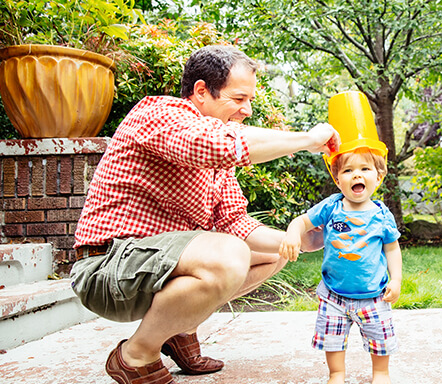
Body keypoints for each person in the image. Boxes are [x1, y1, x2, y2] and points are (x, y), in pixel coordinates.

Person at [70, 45, 340, 384]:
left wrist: (304, 237)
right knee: (227, 256)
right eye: (239, 98)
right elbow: (218, 144)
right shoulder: (159, 114)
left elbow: (236, 223)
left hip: (152, 267)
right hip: (107, 267)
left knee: (274, 254)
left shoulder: (217, 166)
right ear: (201, 91)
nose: (248, 110)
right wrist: (306, 139)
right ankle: (135, 356)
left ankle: (179, 329)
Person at [280, 145, 402, 384]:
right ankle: (336, 374)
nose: (356, 174)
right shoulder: (331, 207)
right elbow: (301, 221)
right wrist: (293, 233)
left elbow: (392, 248)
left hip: (374, 294)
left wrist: (396, 279)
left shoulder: (382, 214)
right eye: (348, 170)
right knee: (332, 338)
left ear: (379, 177)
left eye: (365, 168)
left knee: (380, 339)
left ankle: (380, 374)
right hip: (333, 294)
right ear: (338, 180)